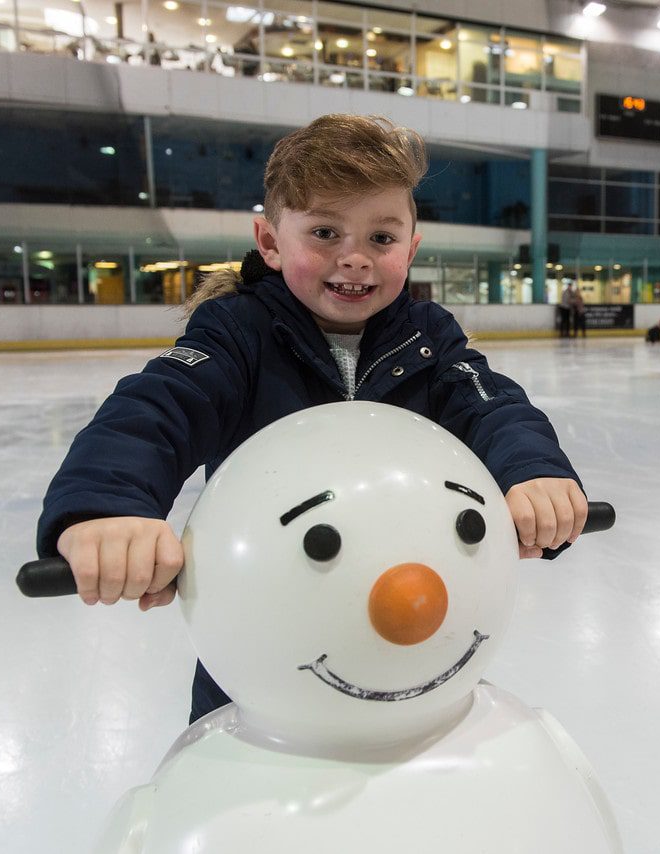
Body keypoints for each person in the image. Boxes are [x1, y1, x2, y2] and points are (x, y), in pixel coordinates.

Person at [35, 114, 590, 725]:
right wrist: (108, 507)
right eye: (326, 232)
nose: (354, 260)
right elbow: (156, 408)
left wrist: (532, 472)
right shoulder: (237, 336)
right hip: (267, 638)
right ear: (270, 242)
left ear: (412, 246)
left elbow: (491, 404)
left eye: (381, 238)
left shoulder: (429, 338)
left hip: (411, 628)